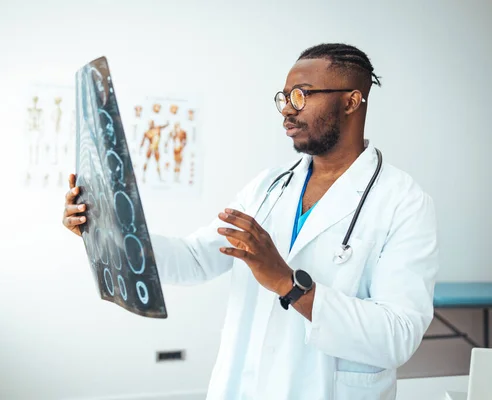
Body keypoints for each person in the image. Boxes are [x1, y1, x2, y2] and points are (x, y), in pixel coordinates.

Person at [62, 43, 439, 400]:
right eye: (284, 97)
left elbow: (398, 335)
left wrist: (289, 285)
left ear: (351, 101)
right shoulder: (268, 186)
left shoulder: (403, 202)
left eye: (301, 95)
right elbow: (196, 258)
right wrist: (110, 230)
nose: (287, 110)